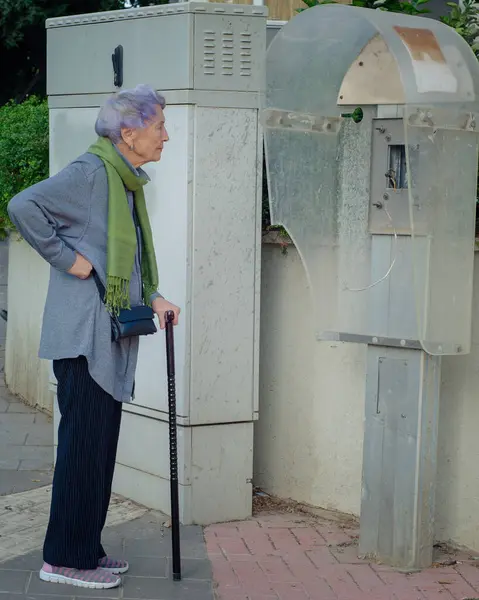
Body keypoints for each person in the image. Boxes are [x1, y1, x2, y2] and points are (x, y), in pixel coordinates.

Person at [8, 84, 180, 589]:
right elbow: (23, 206)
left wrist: (154, 297)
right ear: (128, 133)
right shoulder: (90, 174)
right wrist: (70, 261)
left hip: (105, 333)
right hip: (83, 337)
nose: (165, 136)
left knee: (98, 448)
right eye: (158, 127)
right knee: (83, 448)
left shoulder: (123, 179)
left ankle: (85, 545)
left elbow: (120, 259)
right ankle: (62, 558)